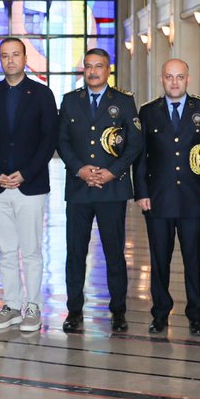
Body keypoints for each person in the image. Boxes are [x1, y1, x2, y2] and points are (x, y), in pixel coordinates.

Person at [133, 59, 200, 335]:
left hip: (193, 199)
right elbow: (140, 156)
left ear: (189, 78)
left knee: (193, 260)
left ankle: (196, 314)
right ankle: (160, 313)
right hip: (158, 200)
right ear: (162, 79)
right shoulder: (149, 112)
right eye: (169, 77)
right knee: (159, 261)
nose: (175, 82)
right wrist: (142, 192)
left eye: (180, 77)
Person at [0, 37, 59, 333]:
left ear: (25, 58)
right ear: (0, 60)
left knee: (31, 250)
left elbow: (49, 140)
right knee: (6, 250)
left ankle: (32, 307)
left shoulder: (42, 94)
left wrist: (25, 173)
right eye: (4, 56)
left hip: (31, 186)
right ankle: (11, 306)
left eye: (15, 55)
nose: (10, 60)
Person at [57, 47, 143, 333]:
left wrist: (113, 171)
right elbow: (62, 141)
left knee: (114, 253)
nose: (93, 71)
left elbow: (134, 144)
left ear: (109, 70)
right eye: (89, 66)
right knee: (75, 253)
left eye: (99, 66)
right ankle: (74, 310)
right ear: (83, 70)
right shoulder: (70, 101)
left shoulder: (124, 101)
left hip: (112, 190)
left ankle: (118, 311)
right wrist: (80, 169)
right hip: (79, 189)